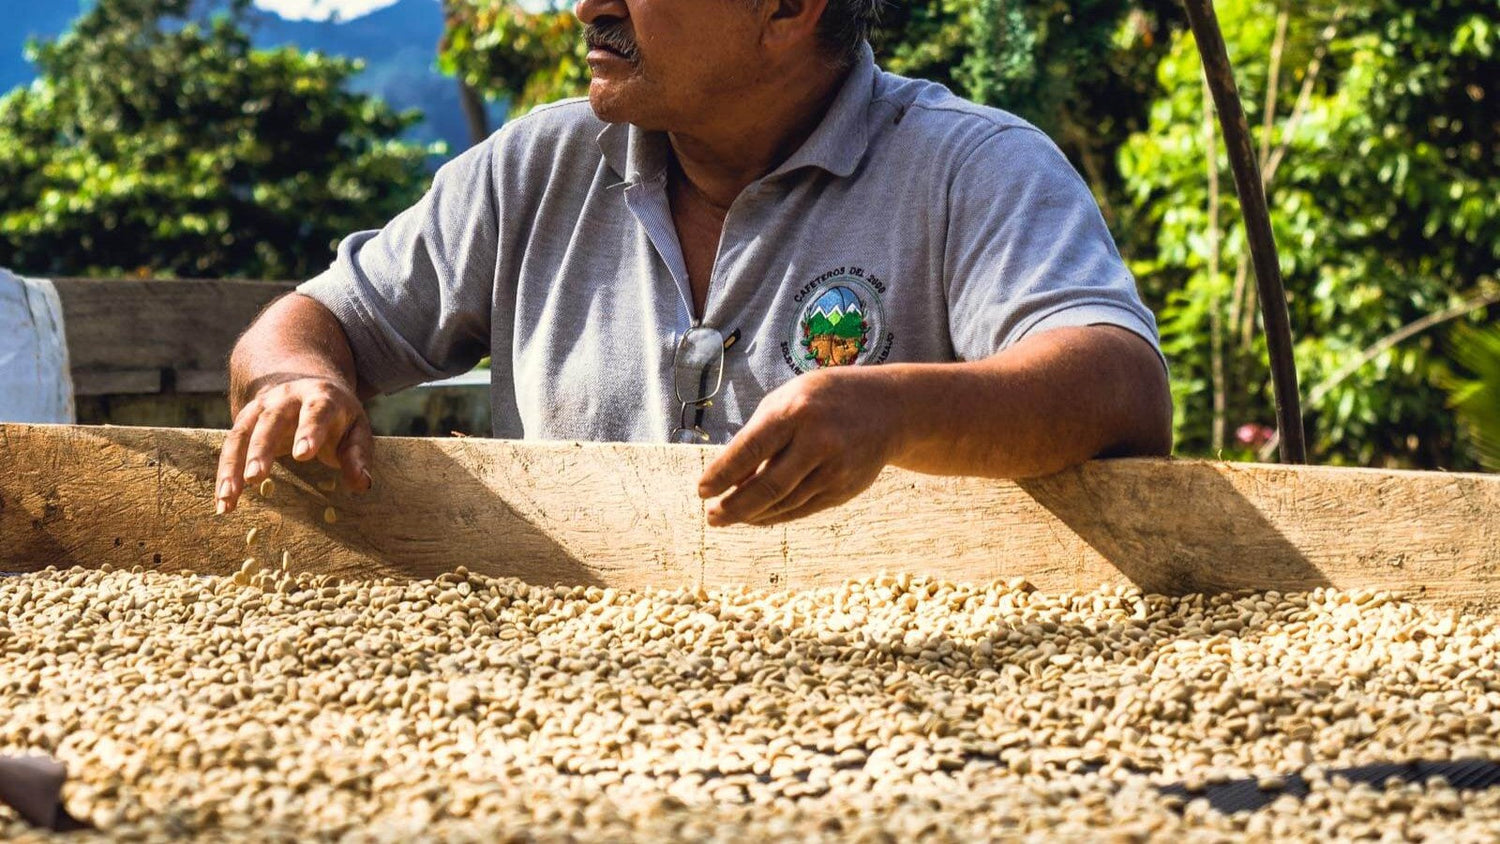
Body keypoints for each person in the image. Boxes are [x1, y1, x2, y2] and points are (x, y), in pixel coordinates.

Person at [215, 0, 1172, 528]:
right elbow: (309, 323)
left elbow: (1118, 386)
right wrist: (299, 383)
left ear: (789, 8)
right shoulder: (534, 167)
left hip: (884, 700)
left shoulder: (971, 166)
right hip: (559, 684)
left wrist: (894, 410)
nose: (589, 6)